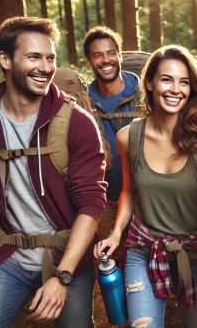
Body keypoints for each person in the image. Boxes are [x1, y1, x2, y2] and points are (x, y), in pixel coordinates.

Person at [0, 17, 106, 327]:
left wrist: (62, 277)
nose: (45, 67)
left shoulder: (76, 122)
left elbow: (91, 204)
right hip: (5, 260)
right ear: (5, 59)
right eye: (34, 57)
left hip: (67, 258)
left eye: (50, 58)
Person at [94, 45, 197, 327]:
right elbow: (128, 191)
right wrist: (116, 235)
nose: (175, 89)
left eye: (184, 82)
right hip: (144, 250)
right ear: (150, 82)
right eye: (166, 79)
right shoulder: (128, 137)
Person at [84, 26, 140, 246]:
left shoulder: (144, 93)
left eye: (110, 53)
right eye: (98, 55)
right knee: (110, 263)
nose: (105, 60)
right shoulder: (85, 101)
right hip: (105, 200)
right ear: (89, 61)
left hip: (145, 197)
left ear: (119, 55)